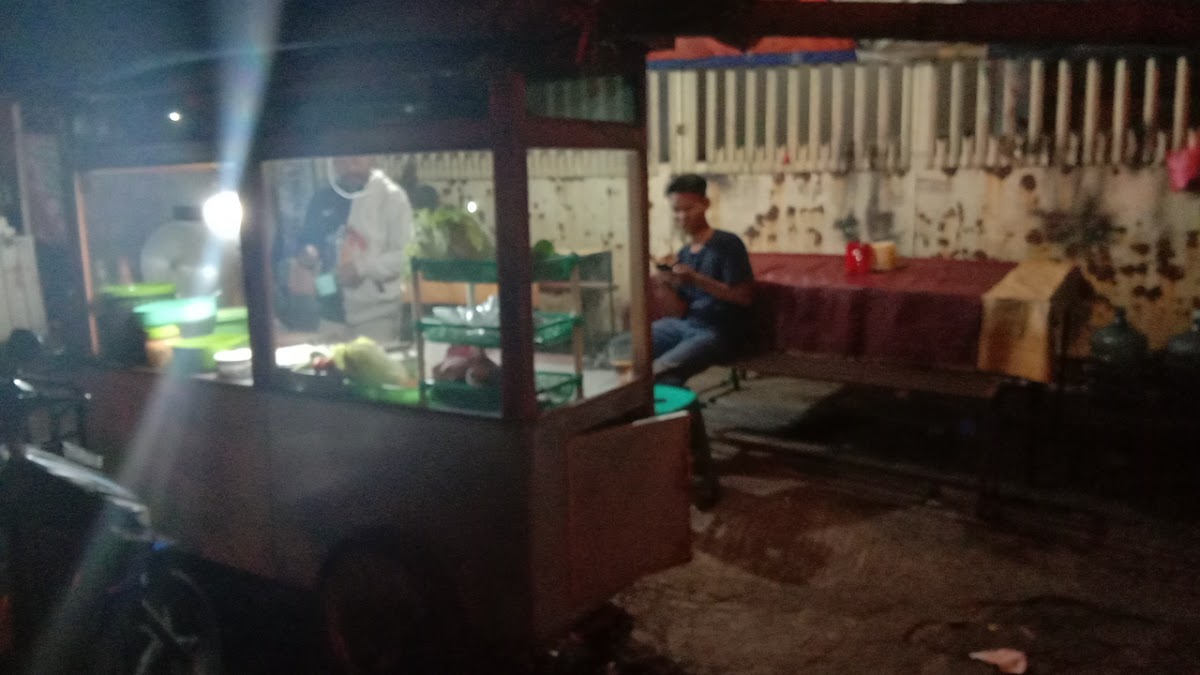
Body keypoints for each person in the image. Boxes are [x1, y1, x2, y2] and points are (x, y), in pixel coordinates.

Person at [291, 156, 414, 343]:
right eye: (342, 162)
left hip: (376, 316)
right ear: (333, 163)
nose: (350, 168)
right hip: (329, 312)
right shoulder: (322, 198)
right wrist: (308, 253)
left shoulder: (392, 197)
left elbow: (406, 255)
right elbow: (308, 241)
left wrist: (361, 269)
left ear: (371, 159)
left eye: (356, 161)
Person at [652, 173, 754, 387]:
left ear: (705, 204)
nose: (682, 216)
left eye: (689, 209)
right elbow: (676, 313)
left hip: (719, 331)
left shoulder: (728, 243)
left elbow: (744, 297)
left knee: (660, 369)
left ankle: (671, 400)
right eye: (676, 210)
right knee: (626, 348)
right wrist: (664, 283)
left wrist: (696, 279)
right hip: (684, 325)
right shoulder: (684, 253)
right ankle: (675, 401)